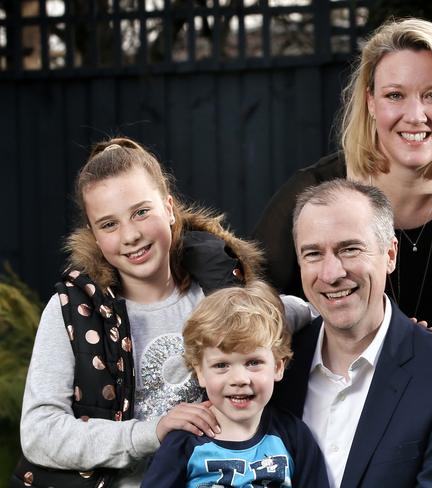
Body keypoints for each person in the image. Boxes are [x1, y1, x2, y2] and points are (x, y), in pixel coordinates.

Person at [17, 137, 264, 488]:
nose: (130, 235)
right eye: (109, 224)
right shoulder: (72, 312)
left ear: (169, 207)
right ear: (94, 235)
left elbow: (286, 318)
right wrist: (149, 433)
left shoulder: (219, 294)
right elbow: (39, 433)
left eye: (141, 212)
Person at [254, 17, 432, 331]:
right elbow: (247, 307)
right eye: (395, 95)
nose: (415, 116)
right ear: (370, 102)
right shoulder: (313, 194)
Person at [273, 179, 432, 488]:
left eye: (349, 249)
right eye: (313, 254)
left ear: (390, 254)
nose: (331, 274)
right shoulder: (272, 368)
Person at [141, 281, 329, 487]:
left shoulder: (294, 436)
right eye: (221, 365)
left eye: (253, 362)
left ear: (277, 367)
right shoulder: (184, 442)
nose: (239, 379)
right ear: (200, 373)